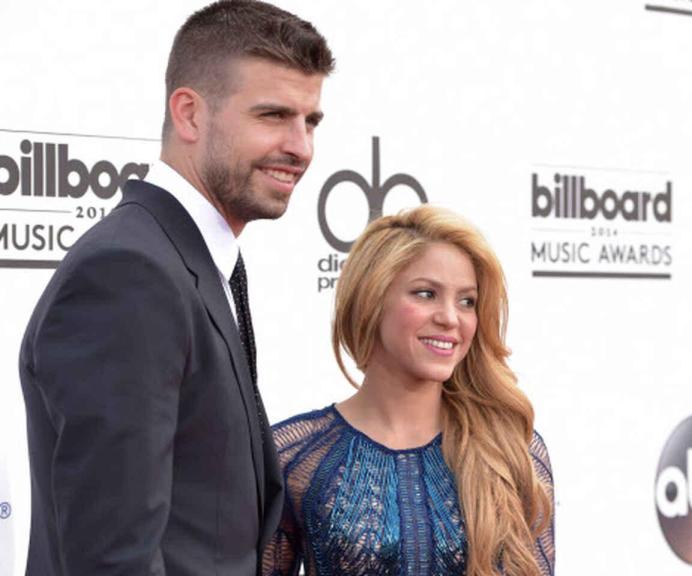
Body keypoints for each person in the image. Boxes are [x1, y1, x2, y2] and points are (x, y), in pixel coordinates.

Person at [18, 2, 333, 574]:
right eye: (273, 115)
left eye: (310, 121)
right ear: (189, 113)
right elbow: (113, 556)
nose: (301, 147)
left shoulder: (184, 259)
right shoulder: (128, 274)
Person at [263, 206, 555, 576]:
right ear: (371, 299)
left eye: (467, 301)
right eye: (426, 294)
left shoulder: (512, 451)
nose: (451, 317)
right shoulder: (296, 454)